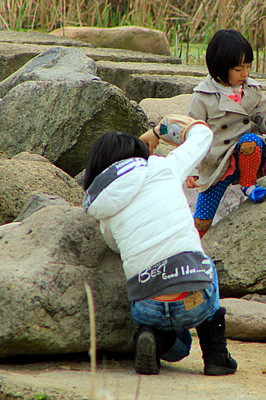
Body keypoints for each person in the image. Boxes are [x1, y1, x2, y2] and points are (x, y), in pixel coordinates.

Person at [81, 115, 237, 376]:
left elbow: (116, 246)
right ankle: (216, 355)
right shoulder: (163, 167)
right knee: (203, 263)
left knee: (178, 347)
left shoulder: (102, 207)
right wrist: (159, 129)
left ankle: (152, 336)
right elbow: (202, 134)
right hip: (194, 299)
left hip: (147, 304)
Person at [186, 29, 266, 237]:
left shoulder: (251, 90)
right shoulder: (203, 97)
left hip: (246, 157)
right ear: (220, 67)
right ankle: (193, 247)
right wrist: (191, 170)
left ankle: (248, 184)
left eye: (248, 67)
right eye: (239, 69)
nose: (245, 73)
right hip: (217, 165)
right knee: (202, 221)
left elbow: (262, 123)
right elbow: (190, 134)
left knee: (251, 141)